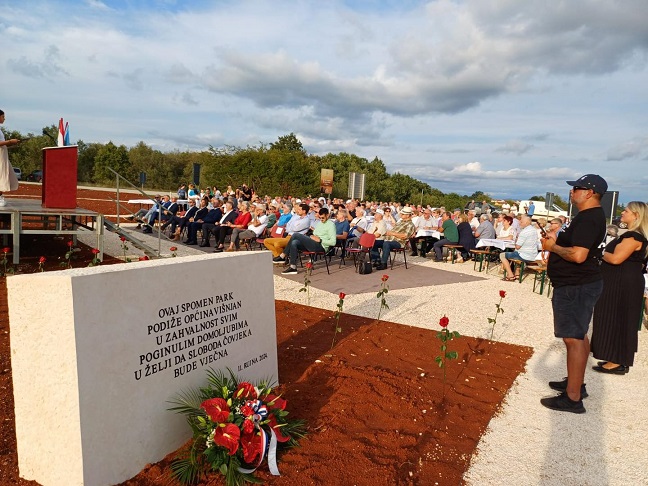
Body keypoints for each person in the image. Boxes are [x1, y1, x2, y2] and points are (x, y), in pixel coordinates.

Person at [541, 174, 608, 414]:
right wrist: (557, 241)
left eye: (577, 188)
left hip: (576, 286)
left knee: (574, 338)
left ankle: (572, 397)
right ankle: (575, 383)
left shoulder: (589, 218)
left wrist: (553, 247)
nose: (572, 192)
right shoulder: (588, 217)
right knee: (578, 334)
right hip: (576, 285)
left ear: (590, 192)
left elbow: (579, 255)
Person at [590, 202, 648, 374]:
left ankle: (618, 360)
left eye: (626, 211)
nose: (623, 213)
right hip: (620, 282)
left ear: (636, 215)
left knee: (618, 318)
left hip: (622, 284)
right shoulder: (631, 236)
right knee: (614, 317)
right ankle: (613, 356)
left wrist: (601, 253)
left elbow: (616, 259)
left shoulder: (634, 237)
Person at [282, 208, 337, 274]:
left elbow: (333, 242)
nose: (321, 220)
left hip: (321, 246)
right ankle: (293, 266)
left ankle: (283, 255)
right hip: (313, 243)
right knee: (294, 242)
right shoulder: (320, 223)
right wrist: (312, 236)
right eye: (320, 218)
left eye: (323, 218)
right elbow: (315, 233)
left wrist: (321, 240)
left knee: (296, 235)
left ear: (327, 215)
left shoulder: (331, 225)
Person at [500, 215, 539, 281]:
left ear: (526, 223)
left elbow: (518, 247)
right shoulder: (534, 230)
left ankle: (510, 275)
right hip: (533, 254)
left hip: (524, 255)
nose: (519, 223)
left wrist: (516, 241)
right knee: (516, 253)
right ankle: (517, 273)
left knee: (502, 255)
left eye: (521, 222)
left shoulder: (524, 232)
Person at [0, 109, 21, 198]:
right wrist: (10, 141)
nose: (4, 119)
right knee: (1, 175)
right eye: (3, 117)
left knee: (4, 175)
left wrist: (11, 144)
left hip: (3, 154)